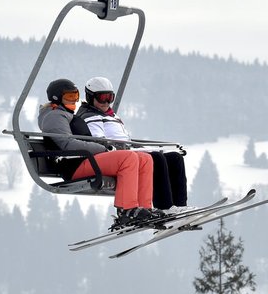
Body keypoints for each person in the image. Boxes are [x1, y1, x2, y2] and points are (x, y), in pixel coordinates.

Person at [37, 78, 158, 228]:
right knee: (129, 158)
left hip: (85, 159)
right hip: (74, 165)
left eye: (75, 96)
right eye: (69, 97)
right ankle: (127, 210)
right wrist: (102, 148)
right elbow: (67, 144)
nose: (73, 100)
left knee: (145, 159)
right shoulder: (54, 116)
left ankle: (144, 208)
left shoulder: (65, 114)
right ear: (56, 98)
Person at [76, 76, 189, 212]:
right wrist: (128, 148)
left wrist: (142, 148)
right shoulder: (90, 116)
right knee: (157, 159)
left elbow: (126, 139)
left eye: (110, 98)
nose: (106, 102)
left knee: (175, 158)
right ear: (90, 97)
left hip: (128, 151)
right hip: (117, 157)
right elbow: (101, 142)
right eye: (102, 98)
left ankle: (180, 206)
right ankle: (165, 207)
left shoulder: (113, 116)